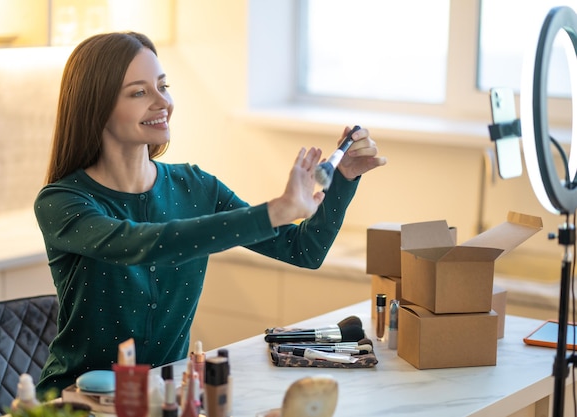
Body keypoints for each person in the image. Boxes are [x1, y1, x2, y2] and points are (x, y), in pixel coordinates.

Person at [33, 31, 387, 396]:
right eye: (139, 92)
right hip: (73, 401)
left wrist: (343, 179)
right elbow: (143, 244)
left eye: (163, 86)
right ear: (97, 107)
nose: (162, 102)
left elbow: (304, 250)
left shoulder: (196, 186)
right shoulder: (62, 202)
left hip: (165, 400)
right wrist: (274, 211)